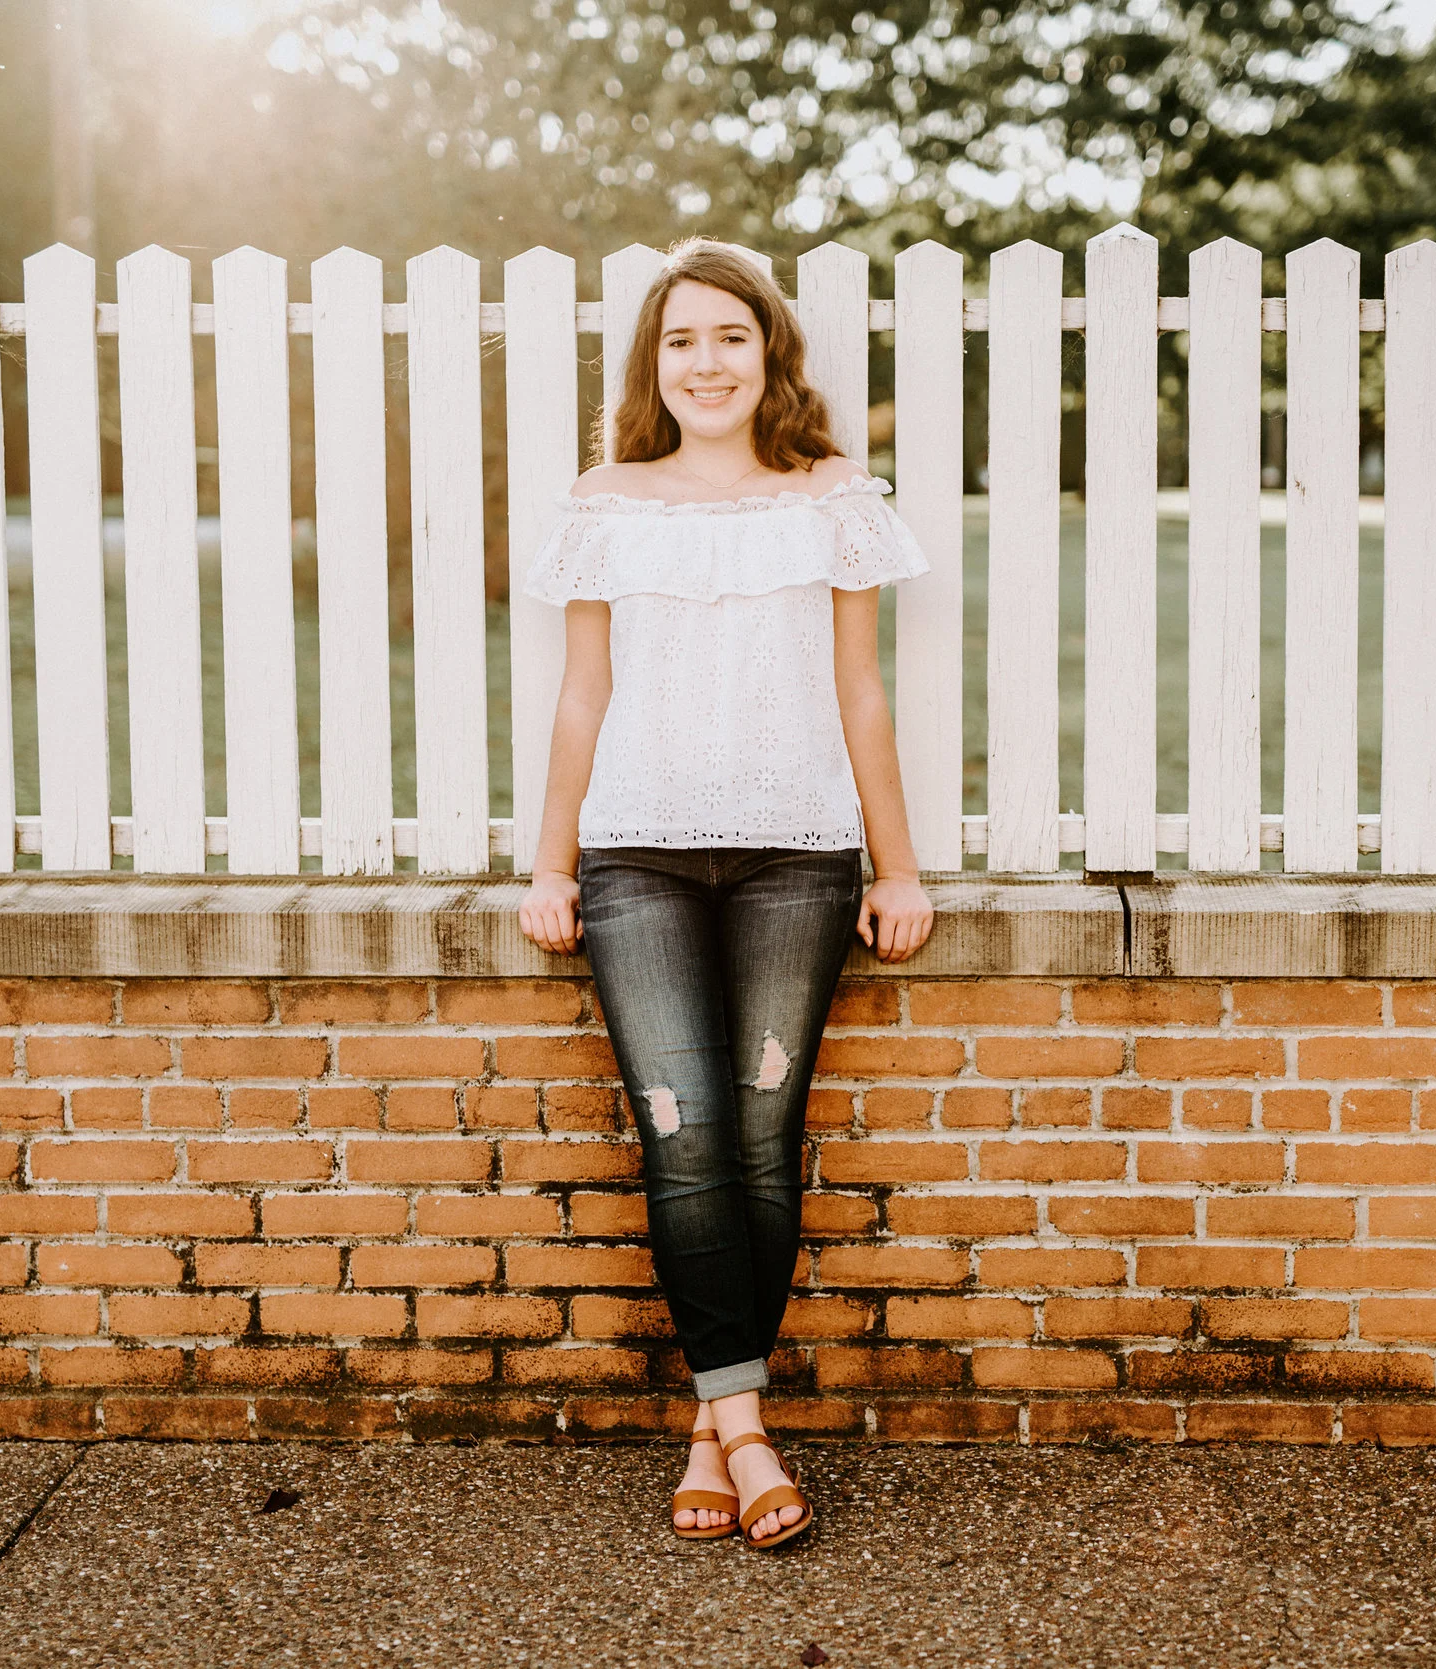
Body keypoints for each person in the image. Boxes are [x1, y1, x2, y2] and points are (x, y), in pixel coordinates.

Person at [514, 239, 937, 1549]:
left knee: (760, 1126)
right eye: (682, 340)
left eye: (731, 338)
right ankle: (749, 1429)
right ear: (655, 363)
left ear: (770, 356)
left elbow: (860, 690)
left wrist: (900, 860)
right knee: (679, 1125)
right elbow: (583, 692)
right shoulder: (607, 500)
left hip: (797, 856)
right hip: (636, 852)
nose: (707, 362)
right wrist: (551, 856)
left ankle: (713, 1422)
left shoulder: (831, 498)